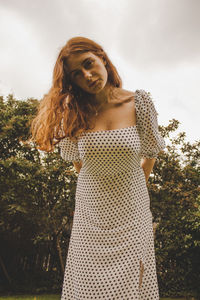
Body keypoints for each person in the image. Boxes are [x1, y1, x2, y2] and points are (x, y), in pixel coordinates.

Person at [31, 36, 166, 300]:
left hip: (132, 207)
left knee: (132, 282)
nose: (88, 75)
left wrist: (134, 191)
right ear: (72, 82)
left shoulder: (140, 103)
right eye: (77, 74)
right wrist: (99, 193)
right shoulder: (72, 112)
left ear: (101, 57)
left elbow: (150, 153)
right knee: (88, 282)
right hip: (91, 211)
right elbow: (78, 163)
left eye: (89, 64)